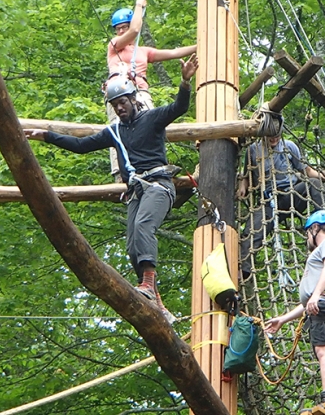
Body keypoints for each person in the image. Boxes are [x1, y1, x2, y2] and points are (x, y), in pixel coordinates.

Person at [25, 54, 200, 323]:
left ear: (133, 100)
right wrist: (48, 136)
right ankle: (156, 300)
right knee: (132, 245)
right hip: (136, 192)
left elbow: (179, 107)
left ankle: (148, 286)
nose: (119, 108)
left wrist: (185, 82)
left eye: (122, 103)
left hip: (158, 186)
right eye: (115, 105)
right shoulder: (114, 131)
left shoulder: (152, 119)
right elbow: (81, 146)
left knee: (143, 226)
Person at [236, 132, 325, 278]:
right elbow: (247, 175)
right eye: (270, 135)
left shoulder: (289, 146)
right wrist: (243, 186)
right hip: (269, 201)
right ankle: (244, 271)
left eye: (277, 134)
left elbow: (307, 171)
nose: (274, 138)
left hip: (292, 195)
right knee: (251, 231)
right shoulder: (253, 150)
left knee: (314, 184)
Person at [264, 210, 325, 409]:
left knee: (324, 351)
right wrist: (283, 319)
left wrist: (317, 294)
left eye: (307, 232)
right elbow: (307, 303)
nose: (306, 238)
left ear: (315, 228)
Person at [105, 0, 197, 182]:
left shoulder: (143, 51)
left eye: (124, 26)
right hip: (119, 94)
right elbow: (135, 29)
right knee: (119, 128)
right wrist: (139, 5)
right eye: (119, 28)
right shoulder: (114, 46)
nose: (122, 31)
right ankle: (119, 172)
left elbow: (173, 53)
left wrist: (200, 45)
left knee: (151, 124)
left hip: (140, 92)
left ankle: (154, 164)